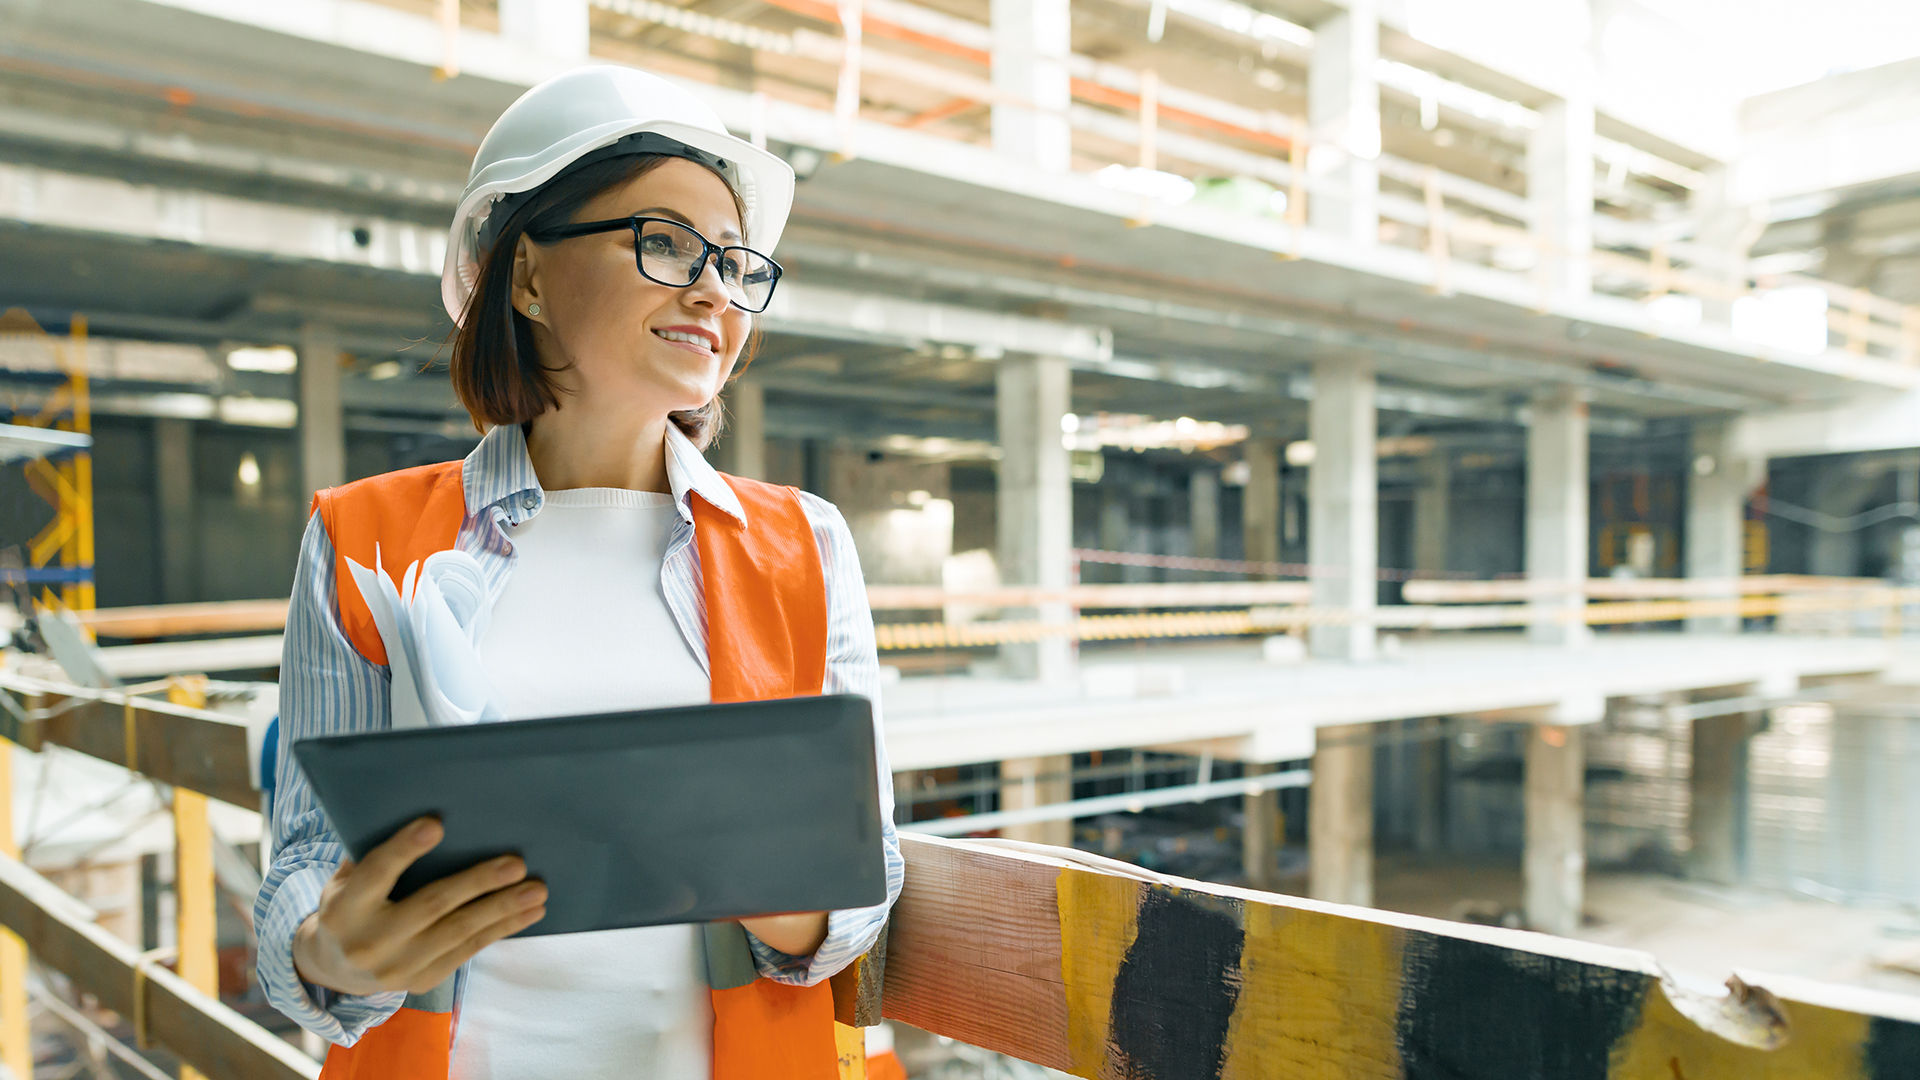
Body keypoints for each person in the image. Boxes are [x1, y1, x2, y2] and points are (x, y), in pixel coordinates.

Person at [254, 66, 903, 1080]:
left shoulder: (804, 545)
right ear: (527, 276)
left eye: (734, 263)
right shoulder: (361, 540)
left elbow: (865, 890)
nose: (711, 289)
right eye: (665, 243)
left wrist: (783, 886)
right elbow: (301, 864)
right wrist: (328, 954)